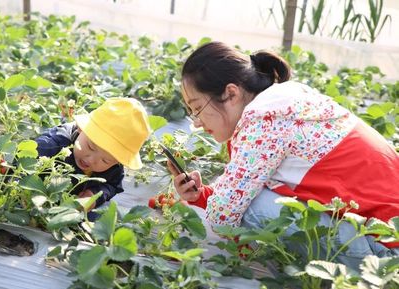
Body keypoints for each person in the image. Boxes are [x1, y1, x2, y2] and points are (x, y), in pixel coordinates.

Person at [168, 41, 398, 270]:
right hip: (385, 234)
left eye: (197, 108)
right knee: (248, 195)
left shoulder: (264, 119)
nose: (196, 122)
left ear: (230, 93)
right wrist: (202, 195)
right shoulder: (284, 98)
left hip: (386, 253)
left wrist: (215, 200)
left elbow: (223, 215)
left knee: (251, 204)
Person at [36, 97, 151, 210]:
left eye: (105, 160)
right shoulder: (50, 147)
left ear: (118, 161)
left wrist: (94, 195)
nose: (91, 159)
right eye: (90, 147)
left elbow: (112, 185)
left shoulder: (114, 167)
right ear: (81, 128)